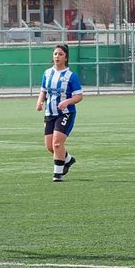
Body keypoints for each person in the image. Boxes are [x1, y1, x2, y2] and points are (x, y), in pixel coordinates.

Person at [36, 44, 83, 182]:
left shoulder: (71, 76)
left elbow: (79, 96)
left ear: (66, 57)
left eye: (60, 54)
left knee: (57, 143)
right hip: (50, 113)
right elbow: (43, 90)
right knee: (50, 146)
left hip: (65, 113)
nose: (57, 56)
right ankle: (67, 160)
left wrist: (67, 102)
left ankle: (58, 174)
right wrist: (39, 102)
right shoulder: (47, 73)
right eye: (55, 54)